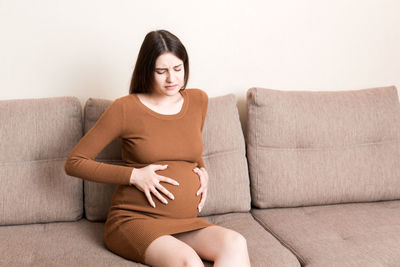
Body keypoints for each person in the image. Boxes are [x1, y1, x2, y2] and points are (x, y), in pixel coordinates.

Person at [64, 29, 251, 267]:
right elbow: (74, 162)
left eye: (178, 69)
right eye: (161, 71)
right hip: (135, 220)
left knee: (236, 243)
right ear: (147, 70)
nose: (172, 79)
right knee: (189, 263)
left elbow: (190, 151)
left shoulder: (198, 101)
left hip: (183, 222)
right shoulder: (125, 108)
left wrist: (203, 172)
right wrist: (134, 175)